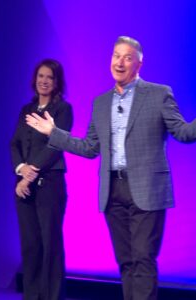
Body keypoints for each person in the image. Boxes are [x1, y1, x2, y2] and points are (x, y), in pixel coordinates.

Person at [25, 36, 196, 300]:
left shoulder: (159, 94)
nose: (120, 62)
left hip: (147, 188)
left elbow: (183, 132)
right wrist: (54, 132)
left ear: (139, 63)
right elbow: (90, 148)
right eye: (116, 55)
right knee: (126, 261)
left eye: (127, 57)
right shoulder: (101, 103)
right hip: (113, 191)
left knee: (143, 259)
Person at [10, 58, 73, 300]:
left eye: (49, 77)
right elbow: (14, 143)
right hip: (23, 185)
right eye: (41, 76)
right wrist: (21, 169)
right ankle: (32, 295)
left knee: (51, 244)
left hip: (49, 185)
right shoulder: (26, 109)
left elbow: (56, 145)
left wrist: (31, 173)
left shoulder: (63, 110)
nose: (44, 81)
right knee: (30, 244)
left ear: (57, 82)